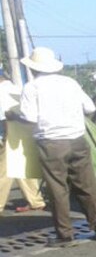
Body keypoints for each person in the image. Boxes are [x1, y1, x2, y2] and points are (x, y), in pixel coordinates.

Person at [19, 47, 96, 247]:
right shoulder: (70, 83)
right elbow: (90, 108)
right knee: (86, 184)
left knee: (58, 188)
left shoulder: (32, 88)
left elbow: (29, 117)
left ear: (33, 68)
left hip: (51, 142)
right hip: (77, 138)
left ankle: (65, 234)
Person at [0, 70, 46, 214]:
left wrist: (4, 138)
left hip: (12, 133)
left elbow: (4, 118)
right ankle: (36, 200)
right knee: (22, 168)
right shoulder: (17, 89)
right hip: (27, 132)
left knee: (3, 171)